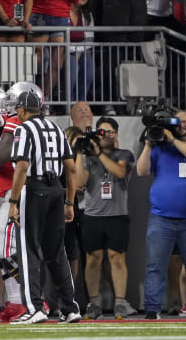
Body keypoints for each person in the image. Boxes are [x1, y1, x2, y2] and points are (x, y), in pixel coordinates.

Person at [5, 92, 80, 324]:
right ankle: (70, 308)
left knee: (29, 251)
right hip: (56, 191)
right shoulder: (57, 129)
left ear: (20, 110)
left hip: (34, 189)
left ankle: (34, 307)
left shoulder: (23, 129)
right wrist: (69, 201)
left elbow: (22, 167)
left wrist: (13, 202)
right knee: (56, 252)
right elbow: (71, 168)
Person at [0, 82, 43, 323]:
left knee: (3, 246)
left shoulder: (15, 123)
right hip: (13, 188)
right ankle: (2, 302)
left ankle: (27, 299)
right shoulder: (19, 123)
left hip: (16, 189)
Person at [136, 110, 186, 319]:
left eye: (185, 121)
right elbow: (141, 171)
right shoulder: (160, 148)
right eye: (177, 122)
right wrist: (149, 143)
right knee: (155, 265)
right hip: (161, 217)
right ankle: (152, 309)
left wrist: (173, 140)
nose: (181, 124)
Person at [74, 116, 136, 319]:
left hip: (117, 215)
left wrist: (98, 153)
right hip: (93, 215)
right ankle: (94, 303)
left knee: (117, 258)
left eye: (109, 132)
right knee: (93, 259)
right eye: (101, 132)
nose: (105, 135)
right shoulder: (88, 158)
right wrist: (80, 153)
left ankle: (120, 302)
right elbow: (78, 183)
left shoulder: (124, 154)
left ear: (116, 134)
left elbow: (119, 172)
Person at [69, 0, 96, 101]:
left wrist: (78, 52)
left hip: (81, 52)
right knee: (72, 65)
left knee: (88, 62)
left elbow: (89, 40)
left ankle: (81, 101)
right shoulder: (61, 10)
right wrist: (74, 52)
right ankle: (69, 102)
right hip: (64, 52)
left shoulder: (87, 15)